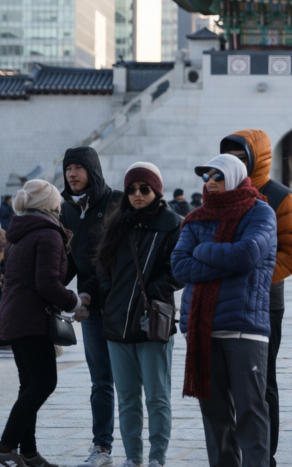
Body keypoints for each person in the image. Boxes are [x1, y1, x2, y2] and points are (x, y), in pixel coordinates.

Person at [171, 154, 276, 467]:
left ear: (234, 176)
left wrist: (202, 251)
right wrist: (221, 261)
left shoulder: (260, 212)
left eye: (217, 176)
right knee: (214, 416)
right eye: (206, 177)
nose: (211, 182)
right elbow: (178, 267)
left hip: (244, 326)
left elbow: (246, 255)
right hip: (201, 328)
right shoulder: (196, 218)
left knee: (250, 411)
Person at [220, 130, 292, 467]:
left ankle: (264, 454)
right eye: (229, 157)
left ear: (257, 158)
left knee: (262, 378)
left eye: (241, 157)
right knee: (224, 381)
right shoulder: (219, 193)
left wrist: (252, 278)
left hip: (264, 303)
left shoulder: (281, 197)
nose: (234, 164)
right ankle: (233, 451)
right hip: (222, 300)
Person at [94, 163, 182, 467]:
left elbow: (178, 271)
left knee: (157, 397)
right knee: (128, 398)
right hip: (117, 323)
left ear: (156, 190)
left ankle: (157, 457)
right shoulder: (117, 223)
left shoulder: (173, 224)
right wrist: (111, 296)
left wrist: (149, 295)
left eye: (144, 188)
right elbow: (102, 266)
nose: (137, 194)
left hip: (152, 321)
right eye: (131, 189)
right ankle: (133, 458)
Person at [0, 180, 84, 467]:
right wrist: (74, 303)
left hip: (15, 318)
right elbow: (47, 283)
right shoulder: (48, 235)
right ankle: (6, 446)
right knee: (43, 383)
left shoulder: (18, 234)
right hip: (33, 320)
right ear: (50, 204)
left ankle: (29, 452)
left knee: (29, 386)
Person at [60, 147, 121, 467]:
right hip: (92, 311)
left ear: (92, 170)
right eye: (68, 168)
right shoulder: (67, 208)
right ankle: (102, 446)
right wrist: (55, 290)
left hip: (123, 306)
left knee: (134, 381)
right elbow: (69, 259)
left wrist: (83, 293)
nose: (71, 174)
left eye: (78, 168)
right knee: (100, 380)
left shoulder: (117, 202)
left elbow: (109, 260)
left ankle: (145, 449)